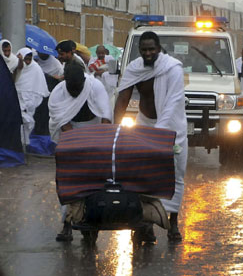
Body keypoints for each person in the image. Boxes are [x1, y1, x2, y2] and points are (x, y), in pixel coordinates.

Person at [115, 31, 187, 243]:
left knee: (174, 176)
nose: (148, 53)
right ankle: (145, 225)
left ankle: (173, 223)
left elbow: (173, 102)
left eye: (151, 49)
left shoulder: (172, 68)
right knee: (142, 175)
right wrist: (115, 129)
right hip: (144, 123)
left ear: (158, 49)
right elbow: (123, 98)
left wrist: (160, 133)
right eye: (144, 50)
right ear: (139, 51)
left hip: (172, 127)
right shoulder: (134, 69)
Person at [49, 61, 112, 241]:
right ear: (64, 81)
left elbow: (105, 116)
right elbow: (62, 122)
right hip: (69, 135)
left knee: (93, 180)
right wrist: (79, 145)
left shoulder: (95, 86)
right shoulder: (57, 93)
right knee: (68, 179)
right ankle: (67, 224)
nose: (76, 91)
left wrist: (98, 145)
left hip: (95, 132)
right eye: (72, 88)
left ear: (85, 80)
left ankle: (92, 223)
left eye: (79, 87)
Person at [14, 48, 49, 145]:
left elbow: (39, 90)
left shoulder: (35, 68)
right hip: (15, 102)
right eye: (26, 59)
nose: (28, 62)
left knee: (27, 124)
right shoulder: (14, 66)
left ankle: (23, 145)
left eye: (29, 59)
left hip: (29, 105)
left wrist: (28, 105)